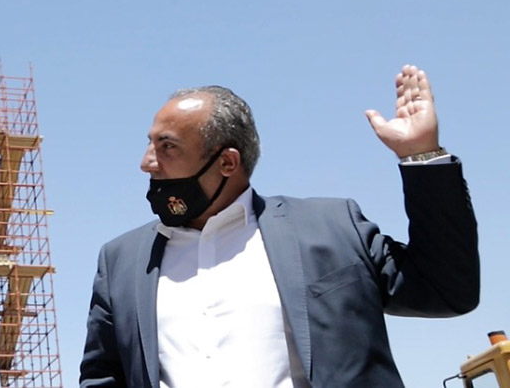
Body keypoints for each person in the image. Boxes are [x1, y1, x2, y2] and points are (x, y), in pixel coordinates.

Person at [80, 65, 479, 388]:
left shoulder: (333, 229)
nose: (147, 162)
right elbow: (103, 378)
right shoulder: (121, 263)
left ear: (227, 162)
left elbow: (446, 291)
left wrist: (421, 155)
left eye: (167, 146)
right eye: (150, 144)